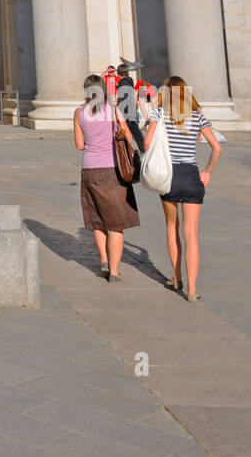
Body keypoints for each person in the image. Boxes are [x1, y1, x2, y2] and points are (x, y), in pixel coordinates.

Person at [143, 75, 222, 301]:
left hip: (169, 175)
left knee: (172, 226)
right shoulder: (197, 115)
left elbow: (147, 143)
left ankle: (176, 277)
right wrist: (207, 172)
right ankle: (192, 289)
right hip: (191, 174)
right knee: (191, 234)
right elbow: (217, 148)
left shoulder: (160, 114)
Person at [74, 73, 140, 281]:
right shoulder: (112, 110)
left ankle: (104, 260)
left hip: (90, 170)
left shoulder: (79, 113)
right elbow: (128, 137)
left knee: (98, 219)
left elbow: (79, 145)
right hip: (113, 169)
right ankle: (114, 271)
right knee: (116, 223)